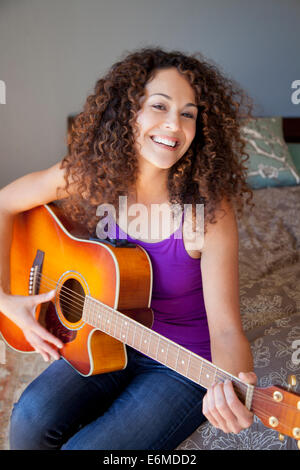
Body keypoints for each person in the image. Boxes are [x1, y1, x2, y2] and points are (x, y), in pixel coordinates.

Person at [0, 47, 257, 450]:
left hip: (179, 362)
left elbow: (226, 329)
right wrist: (4, 298)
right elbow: (4, 203)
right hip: (106, 337)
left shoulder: (208, 212)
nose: (173, 125)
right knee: (29, 420)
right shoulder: (89, 177)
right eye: (159, 106)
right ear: (128, 112)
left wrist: (236, 384)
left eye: (188, 113)